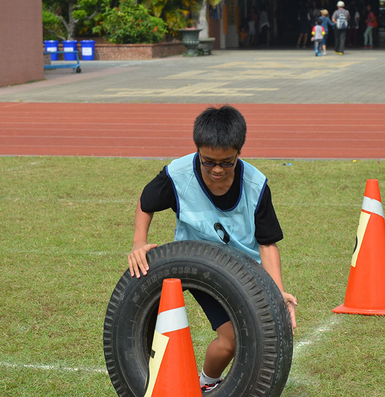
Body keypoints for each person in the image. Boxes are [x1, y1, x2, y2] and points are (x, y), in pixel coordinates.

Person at [127, 105, 298, 394]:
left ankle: (206, 380)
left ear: (238, 153)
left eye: (226, 162)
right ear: (197, 151)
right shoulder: (178, 174)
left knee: (236, 341)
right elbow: (146, 202)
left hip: (242, 271)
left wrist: (277, 292)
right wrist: (138, 243)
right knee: (229, 336)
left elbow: (268, 244)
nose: (217, 169)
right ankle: (198, 382)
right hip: (194, 263)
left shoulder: (255, 185)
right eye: (208, 162)